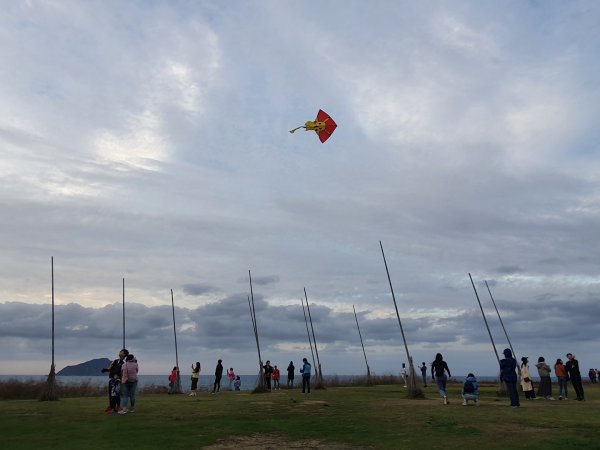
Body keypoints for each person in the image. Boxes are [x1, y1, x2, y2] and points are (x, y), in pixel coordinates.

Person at [101, 348, 128, 412]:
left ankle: (116, 407)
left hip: (118, 381)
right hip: (112, 380)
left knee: (116, 394)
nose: (119, 352)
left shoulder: (123, 364)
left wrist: (118, 376)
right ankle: (112, 406)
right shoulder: (115, 361)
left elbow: (123, 373)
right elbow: (109, 368)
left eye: (121, 351)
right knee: (111, 394)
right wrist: (105, 370)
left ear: (124, 354)